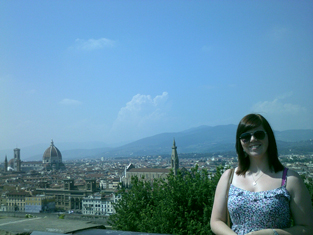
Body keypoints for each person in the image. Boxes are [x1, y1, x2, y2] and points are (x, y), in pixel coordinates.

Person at [210, 114, 313, 235]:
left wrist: (273, 233)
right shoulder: (229, 177)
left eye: (259, 134)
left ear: (269, 137)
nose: (253, 139)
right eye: (245, 136)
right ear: (240, 143)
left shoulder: (291, 179)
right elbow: (216, 221)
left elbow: (307, 228)